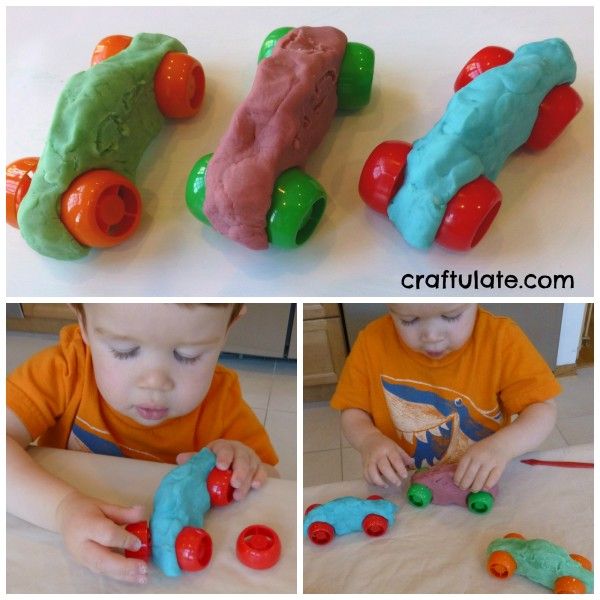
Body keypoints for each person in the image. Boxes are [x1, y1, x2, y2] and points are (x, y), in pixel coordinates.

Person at [7, 303, 279, 584]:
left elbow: (272, 483)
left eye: (188, 355)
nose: (155, 382)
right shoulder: (65, 369)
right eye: (124, 350)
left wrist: (243, 463)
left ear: (228, 328)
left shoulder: (222, 404)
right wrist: (62, 509)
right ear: (83, 323)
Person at [332, 303, 559, 495]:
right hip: (404, 486)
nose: (432, 336)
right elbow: (353, 411)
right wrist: (369, 440)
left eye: (452, 316)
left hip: (481, 482)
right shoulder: (371, 343)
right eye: (409, 320)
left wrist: (503, 447)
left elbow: (542, 408)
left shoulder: (501, 339)